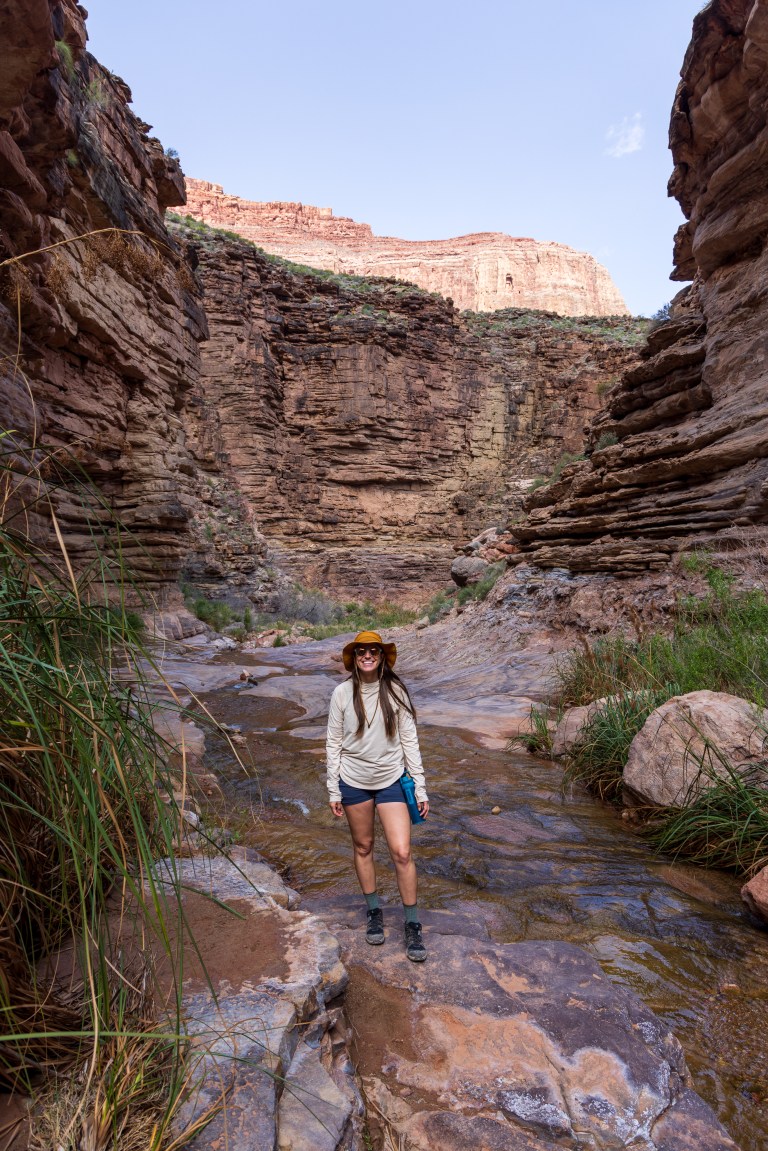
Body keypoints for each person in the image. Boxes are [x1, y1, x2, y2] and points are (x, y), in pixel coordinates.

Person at [326, 630, 429, 961]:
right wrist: (333, 788)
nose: (367, 655)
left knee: (402, 852)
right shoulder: (342, 693)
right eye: (361, 652)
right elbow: (333, 743)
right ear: (354, 658)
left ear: (382, 656)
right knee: (364, 847)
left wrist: (420, 786)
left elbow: (410, 741)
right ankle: (374, 911)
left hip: (391, 780)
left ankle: (412, 923)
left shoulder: (395, 691)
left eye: (373, 650)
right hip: (353, 781)